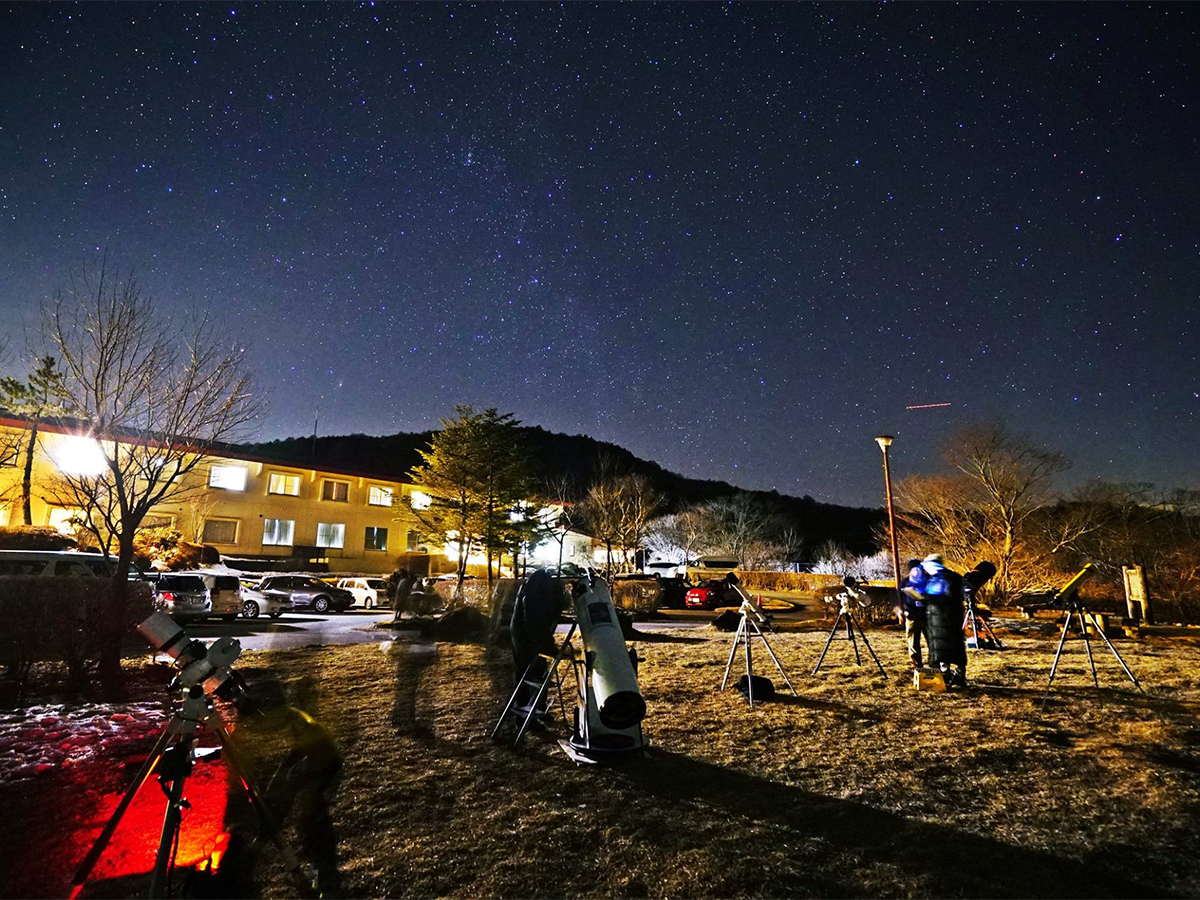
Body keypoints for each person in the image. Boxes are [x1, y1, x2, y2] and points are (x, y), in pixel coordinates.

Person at [919, 554, 968, 687]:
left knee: (953, 649)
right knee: (939, 651)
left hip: (948, 619)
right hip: (934, 621)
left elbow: (949, 598)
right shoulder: (932, 578)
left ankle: (959, 674)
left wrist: (926, 598)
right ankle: (944, 674)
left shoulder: (951, 578)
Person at [900, 558, 928, 670]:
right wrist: (904, 611)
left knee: (932, 641)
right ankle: (917, 664)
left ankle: (935, 664)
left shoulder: (928, 581)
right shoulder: (905, 582)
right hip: (912, 616)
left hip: (927, 616)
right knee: (913, 641)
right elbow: (900, 598)